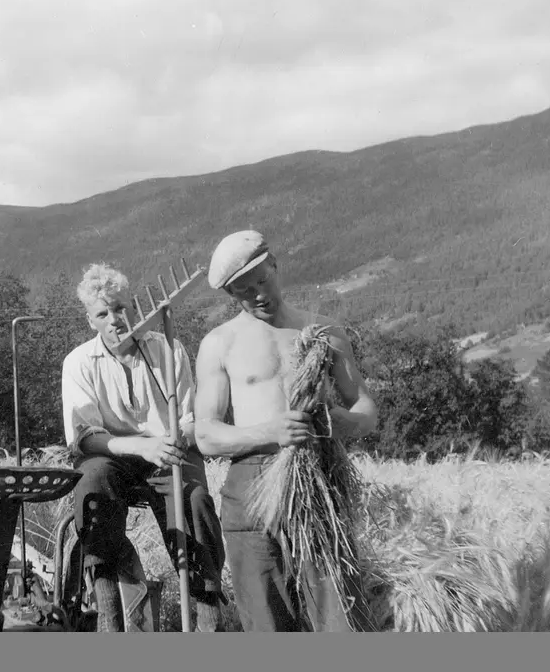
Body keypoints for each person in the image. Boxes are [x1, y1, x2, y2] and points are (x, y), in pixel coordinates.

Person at [193, 230, 378, 632]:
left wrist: (337, 423)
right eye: (243, 291)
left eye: (262, 280)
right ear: (230, 296)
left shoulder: (325, 332)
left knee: (338, 617)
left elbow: (366, 410)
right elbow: (206, 434)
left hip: (317, 481)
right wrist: (269, 432)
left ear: (275, 265)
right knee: (267, 623)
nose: (258, 294)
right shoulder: (219, 343)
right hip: (250, 487)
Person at [62, 263, 226, 632]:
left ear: (133, 307)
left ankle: (207, 608)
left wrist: (175, 438)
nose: (114, 319)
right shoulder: (79, 363)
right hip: (113, 455)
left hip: (167, 453)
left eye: (120, 308)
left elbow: (187, 415)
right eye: (103, 313)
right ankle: (106, 602)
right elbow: (85, 435)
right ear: (91, 320)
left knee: (194, 499)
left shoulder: (168, 349)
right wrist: (140, 446)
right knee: (91, 484)